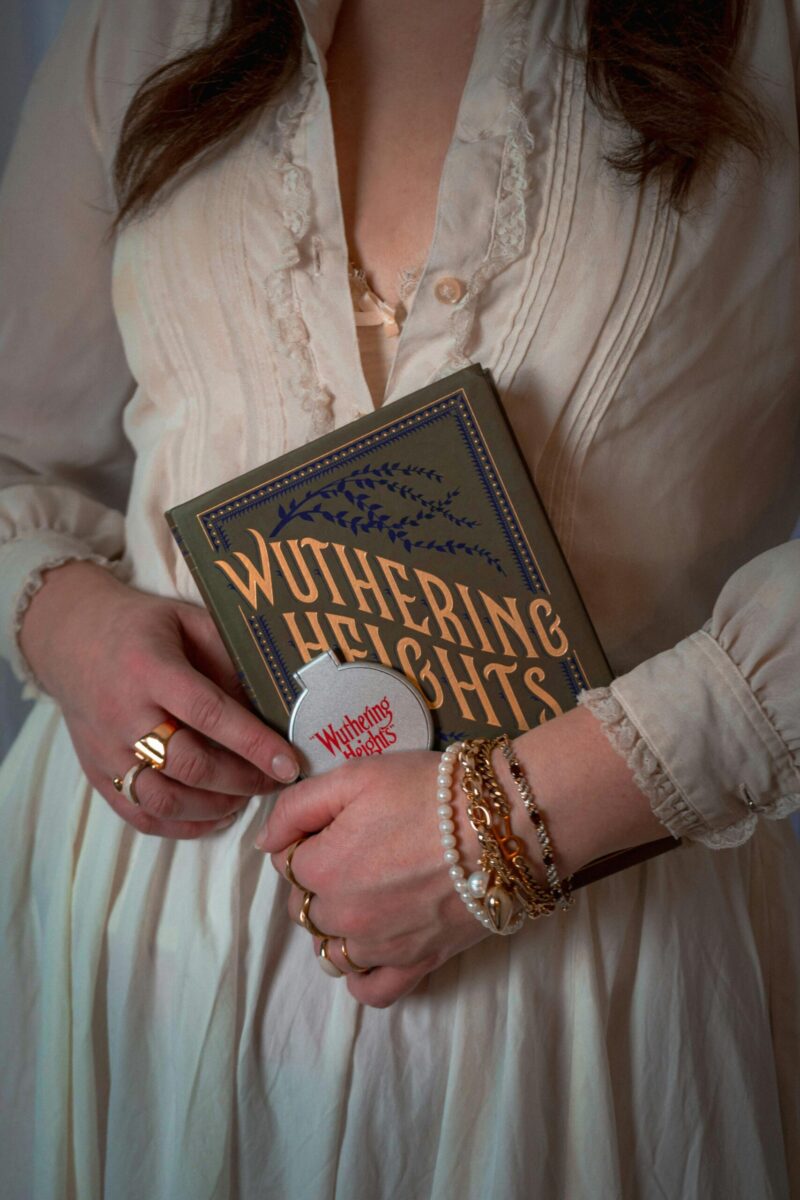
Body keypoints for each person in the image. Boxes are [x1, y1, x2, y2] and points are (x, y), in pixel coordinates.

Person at [1, 0, 798, 1196]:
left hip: (587, 980)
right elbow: (15, 447)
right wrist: (68, 626)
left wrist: (519, 821)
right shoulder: (143, 22)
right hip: (137, 944)